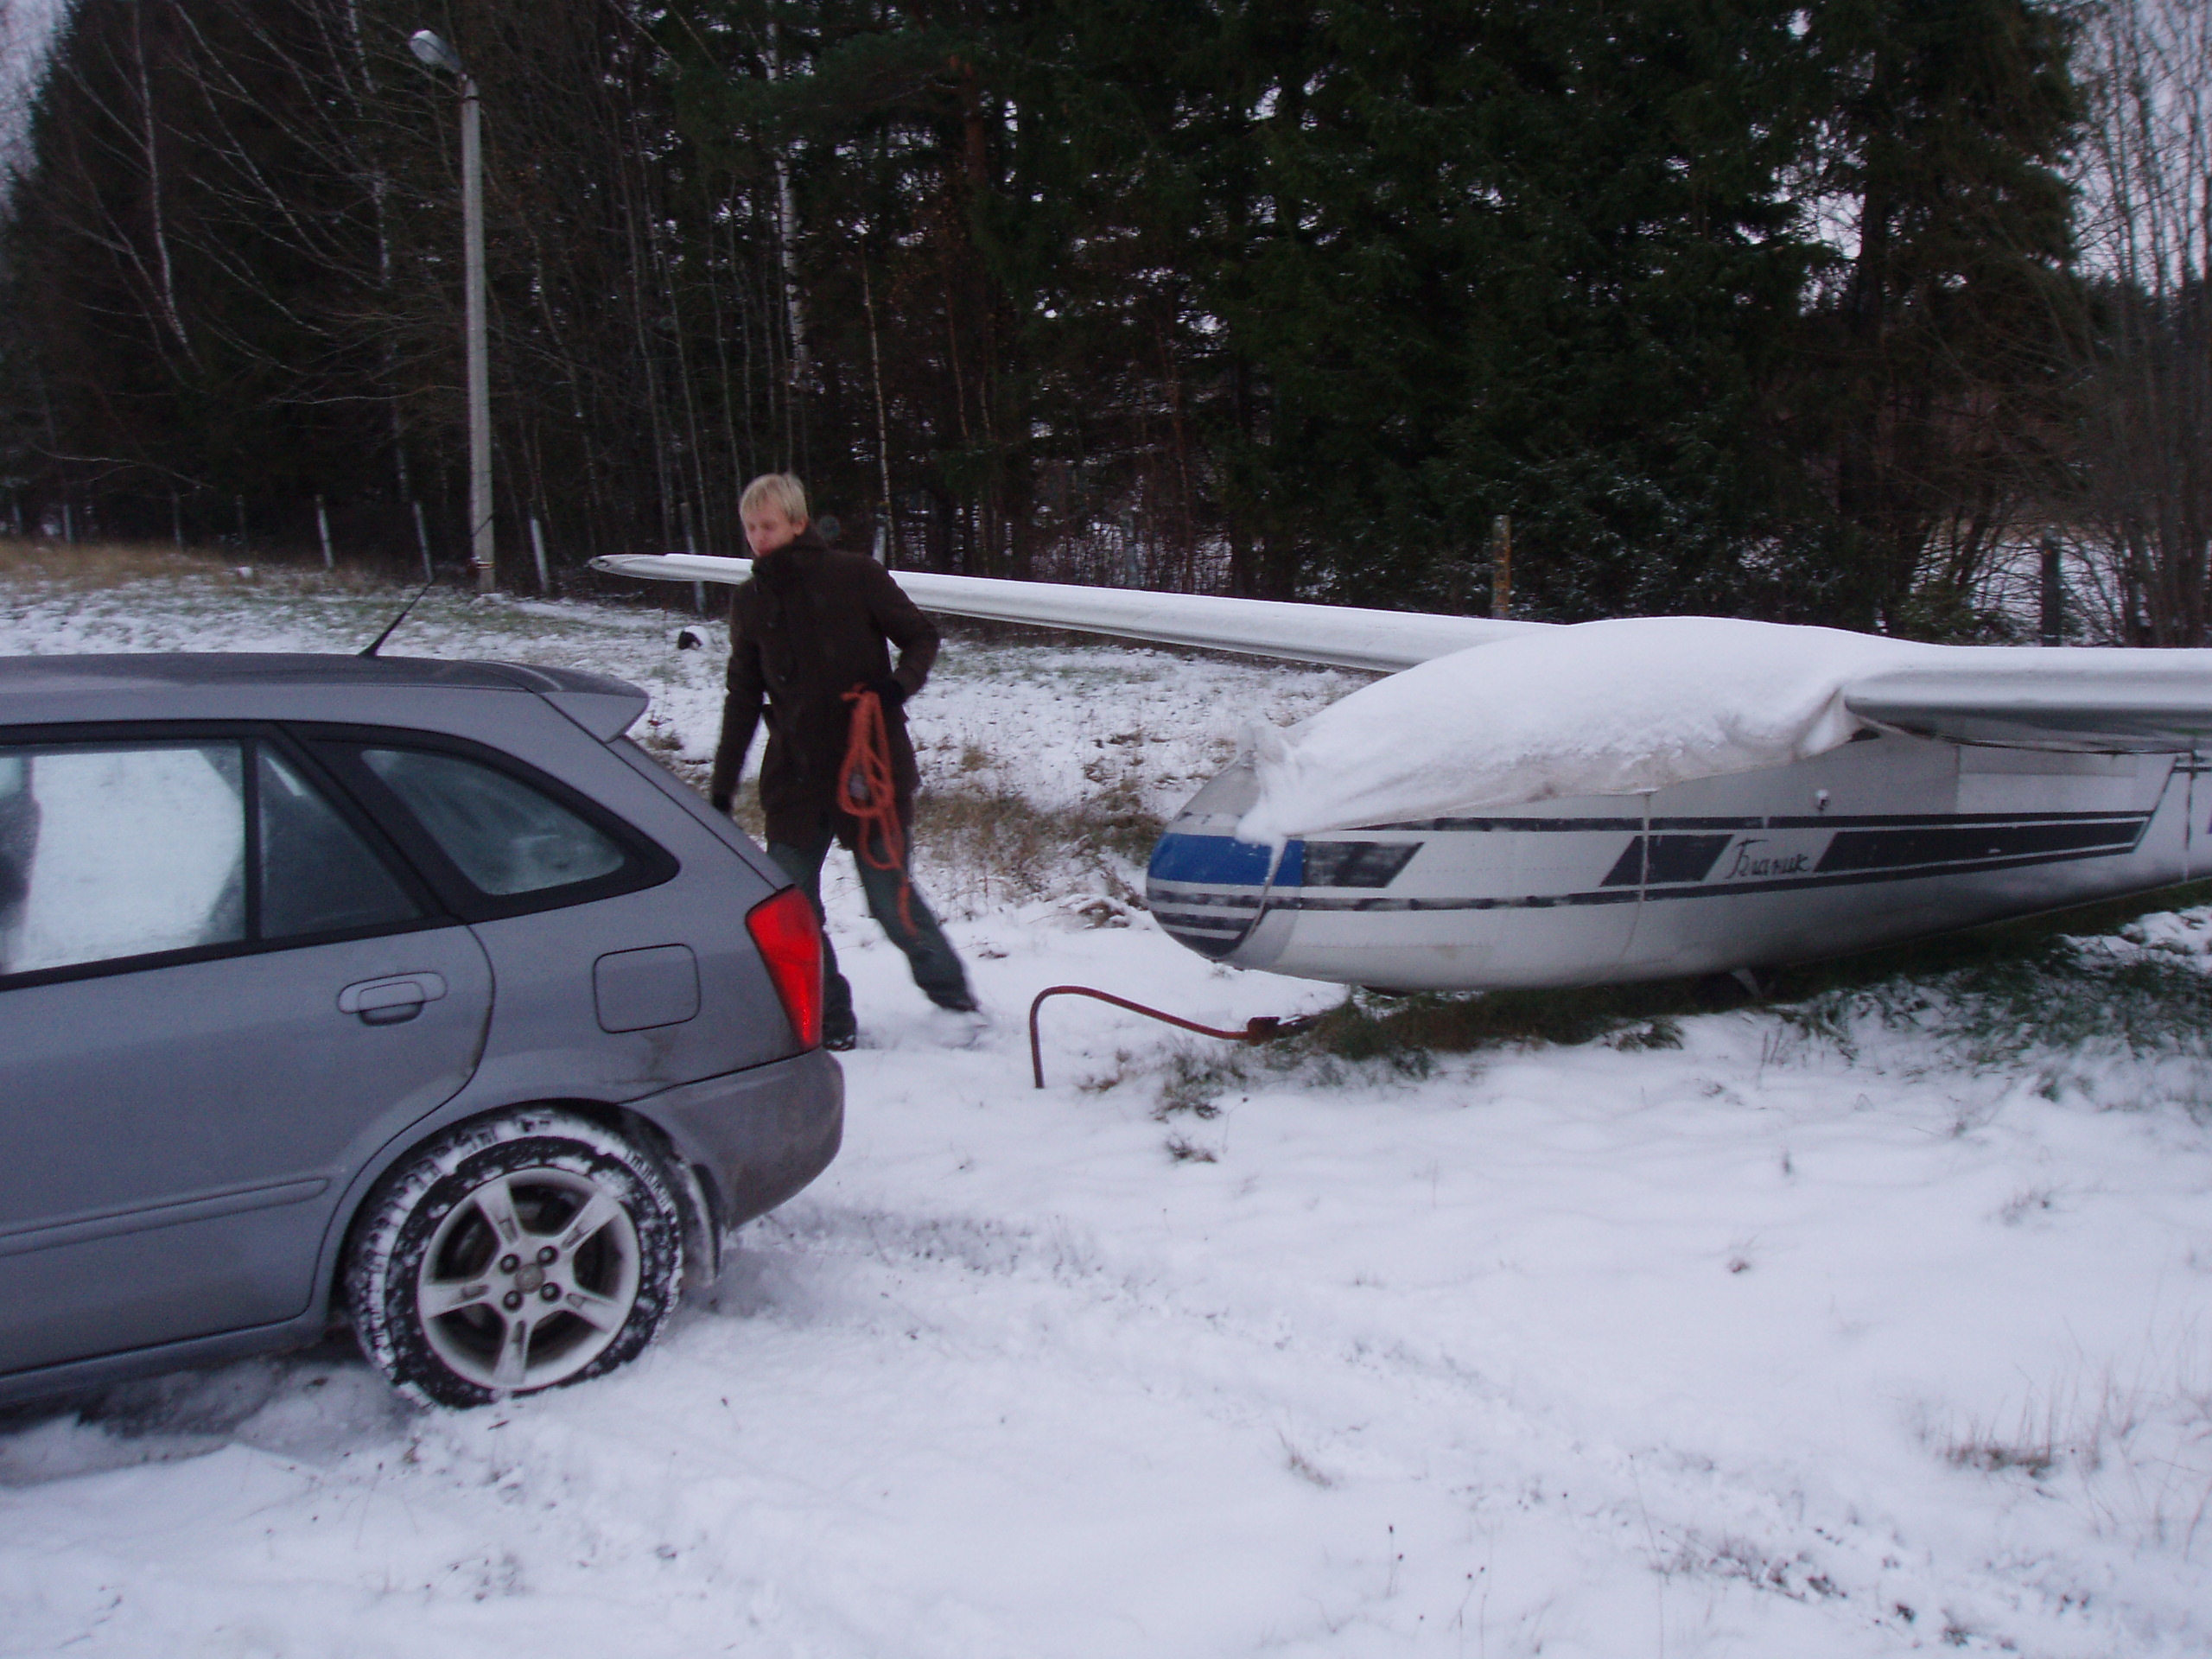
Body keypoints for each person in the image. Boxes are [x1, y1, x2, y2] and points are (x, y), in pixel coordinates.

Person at [709, 473, 979, 1049]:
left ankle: (953, 996)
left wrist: (896, 687)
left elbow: (921, 636)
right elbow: (742, 695)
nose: (758, 538)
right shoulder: (750, 599)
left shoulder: (855, 575)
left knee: (890, 901)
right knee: (789, 903)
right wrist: (722, 786)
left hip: (869, 766)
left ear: (798, 523)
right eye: (750, 528)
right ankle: (829, 1016)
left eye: (769, 526)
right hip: (795, 776)